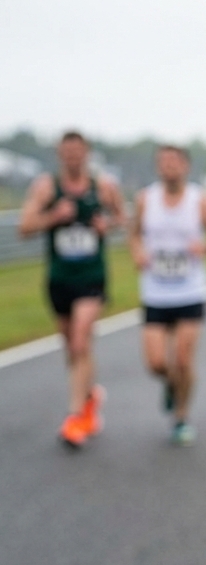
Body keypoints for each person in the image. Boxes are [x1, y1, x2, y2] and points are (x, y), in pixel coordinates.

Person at [17, 131, 125, 448]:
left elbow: (121, 216)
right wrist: (53, 216)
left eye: (78, 151)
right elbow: (24, 227)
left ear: (87, 153)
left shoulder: (103, 186)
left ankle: (75, 417)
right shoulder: (46, 187)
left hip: (92, 276)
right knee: (72, 347)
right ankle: (90, 397)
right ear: (59, 154)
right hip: (59, 278)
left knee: (80, 339)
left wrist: (109, 225)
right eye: (67, 152)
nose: (73, 157)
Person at [128, 145, 206, 446]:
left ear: (185, 166)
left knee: (183, 360)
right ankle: (173, 385)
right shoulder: (146, 199)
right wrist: (137, 253)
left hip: (190, 290)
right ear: (158, 167)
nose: (169, 167)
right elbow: (133, 234)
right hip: (155, 293)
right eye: (163, 162)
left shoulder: (200, 201)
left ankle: (181, 417)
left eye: (174, 162)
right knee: (157, 363)